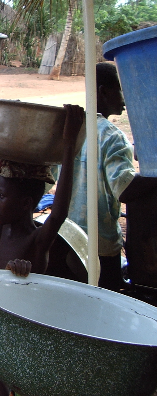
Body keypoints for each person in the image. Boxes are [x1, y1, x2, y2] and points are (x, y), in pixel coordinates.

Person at [0, 104, 85, 396]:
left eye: (1, 197)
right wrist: (0, 141)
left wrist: (68, 143)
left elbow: (59, 211)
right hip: (2, 322)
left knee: (20, 392)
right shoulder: (5, 227)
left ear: (25, 203)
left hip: (24, 332)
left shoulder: (35, 241)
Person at [67, 62, 157, 291]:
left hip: (68, 238)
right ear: (104, 92)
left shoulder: (72, 128)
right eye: (120, 90)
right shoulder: (112, 136)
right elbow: (124, 188)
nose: (124, 98)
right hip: (101, 245)